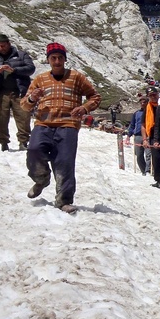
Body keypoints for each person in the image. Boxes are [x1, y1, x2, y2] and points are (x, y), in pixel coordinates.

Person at [23, 42, 100, 213]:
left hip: (68, 125)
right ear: (48, 60)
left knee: (65, 161)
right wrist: (31, 98)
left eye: (60, 58)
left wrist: (84, 108)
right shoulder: (40, 79)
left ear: (65, 59)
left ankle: (64, 200)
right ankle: (41, 179)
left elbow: (94, 96)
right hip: (43, 123)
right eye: (53, 58)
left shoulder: (76, 77)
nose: (57, 61)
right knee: (34, 150)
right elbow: (24, 106)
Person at [0, 33, 35, 151]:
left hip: (19, 92)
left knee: (23, 117)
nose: (1, 48)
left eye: (3, 46)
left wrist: (14, 70)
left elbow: (30, 69)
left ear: (9, 44)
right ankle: (3, 142)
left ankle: (23, 142)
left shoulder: (21, 55)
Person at [125, 91, 150, 176]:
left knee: (148, 154)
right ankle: (143, 171)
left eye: (144, 102)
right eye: (141, 102)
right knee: (139, 155)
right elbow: (132, 125)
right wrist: (129, 135)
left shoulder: (150, 113)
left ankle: (148, 171)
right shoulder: (136, 113)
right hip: (138, 135)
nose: (142, 104)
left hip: (148, 135)